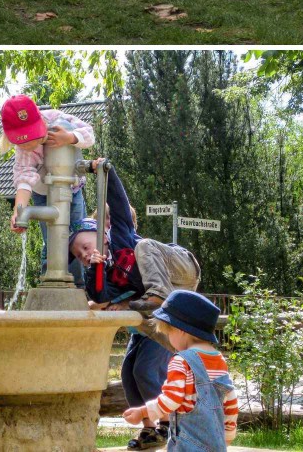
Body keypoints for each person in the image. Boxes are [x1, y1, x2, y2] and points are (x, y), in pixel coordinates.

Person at [70, 160, 202, 450]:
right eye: (79, 254)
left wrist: (105, 171)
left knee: (144, 246)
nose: (83, 253)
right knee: (129, 372)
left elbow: (118, 206)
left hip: (180, 271)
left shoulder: (121, 240)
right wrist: (93, 270)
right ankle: (151, 431)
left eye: (84, 245)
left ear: (102, 232)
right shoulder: (109, 275)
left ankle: (170, 426)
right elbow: (100, 296)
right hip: (154, 313)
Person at [122, 289, 239, 451]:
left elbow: (171, 399)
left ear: (181, 330)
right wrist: (228, 433)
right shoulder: (218, 360)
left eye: (168, 333)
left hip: (187, 445)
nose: (168, 339)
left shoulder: (181, 361)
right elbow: (230, 400)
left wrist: (142, 412)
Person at [1, 94, 95, 287]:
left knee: (79, 236)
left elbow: (89, 133)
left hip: (72, 189)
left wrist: (69, 137)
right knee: (51, 239)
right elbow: (24, 178)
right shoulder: (24, 151)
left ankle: (81, 286)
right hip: (42, 194)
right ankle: (50, 282)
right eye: (21, 142)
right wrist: (19, 211)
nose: (27, 145)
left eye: (31, 138)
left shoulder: (56, 120)